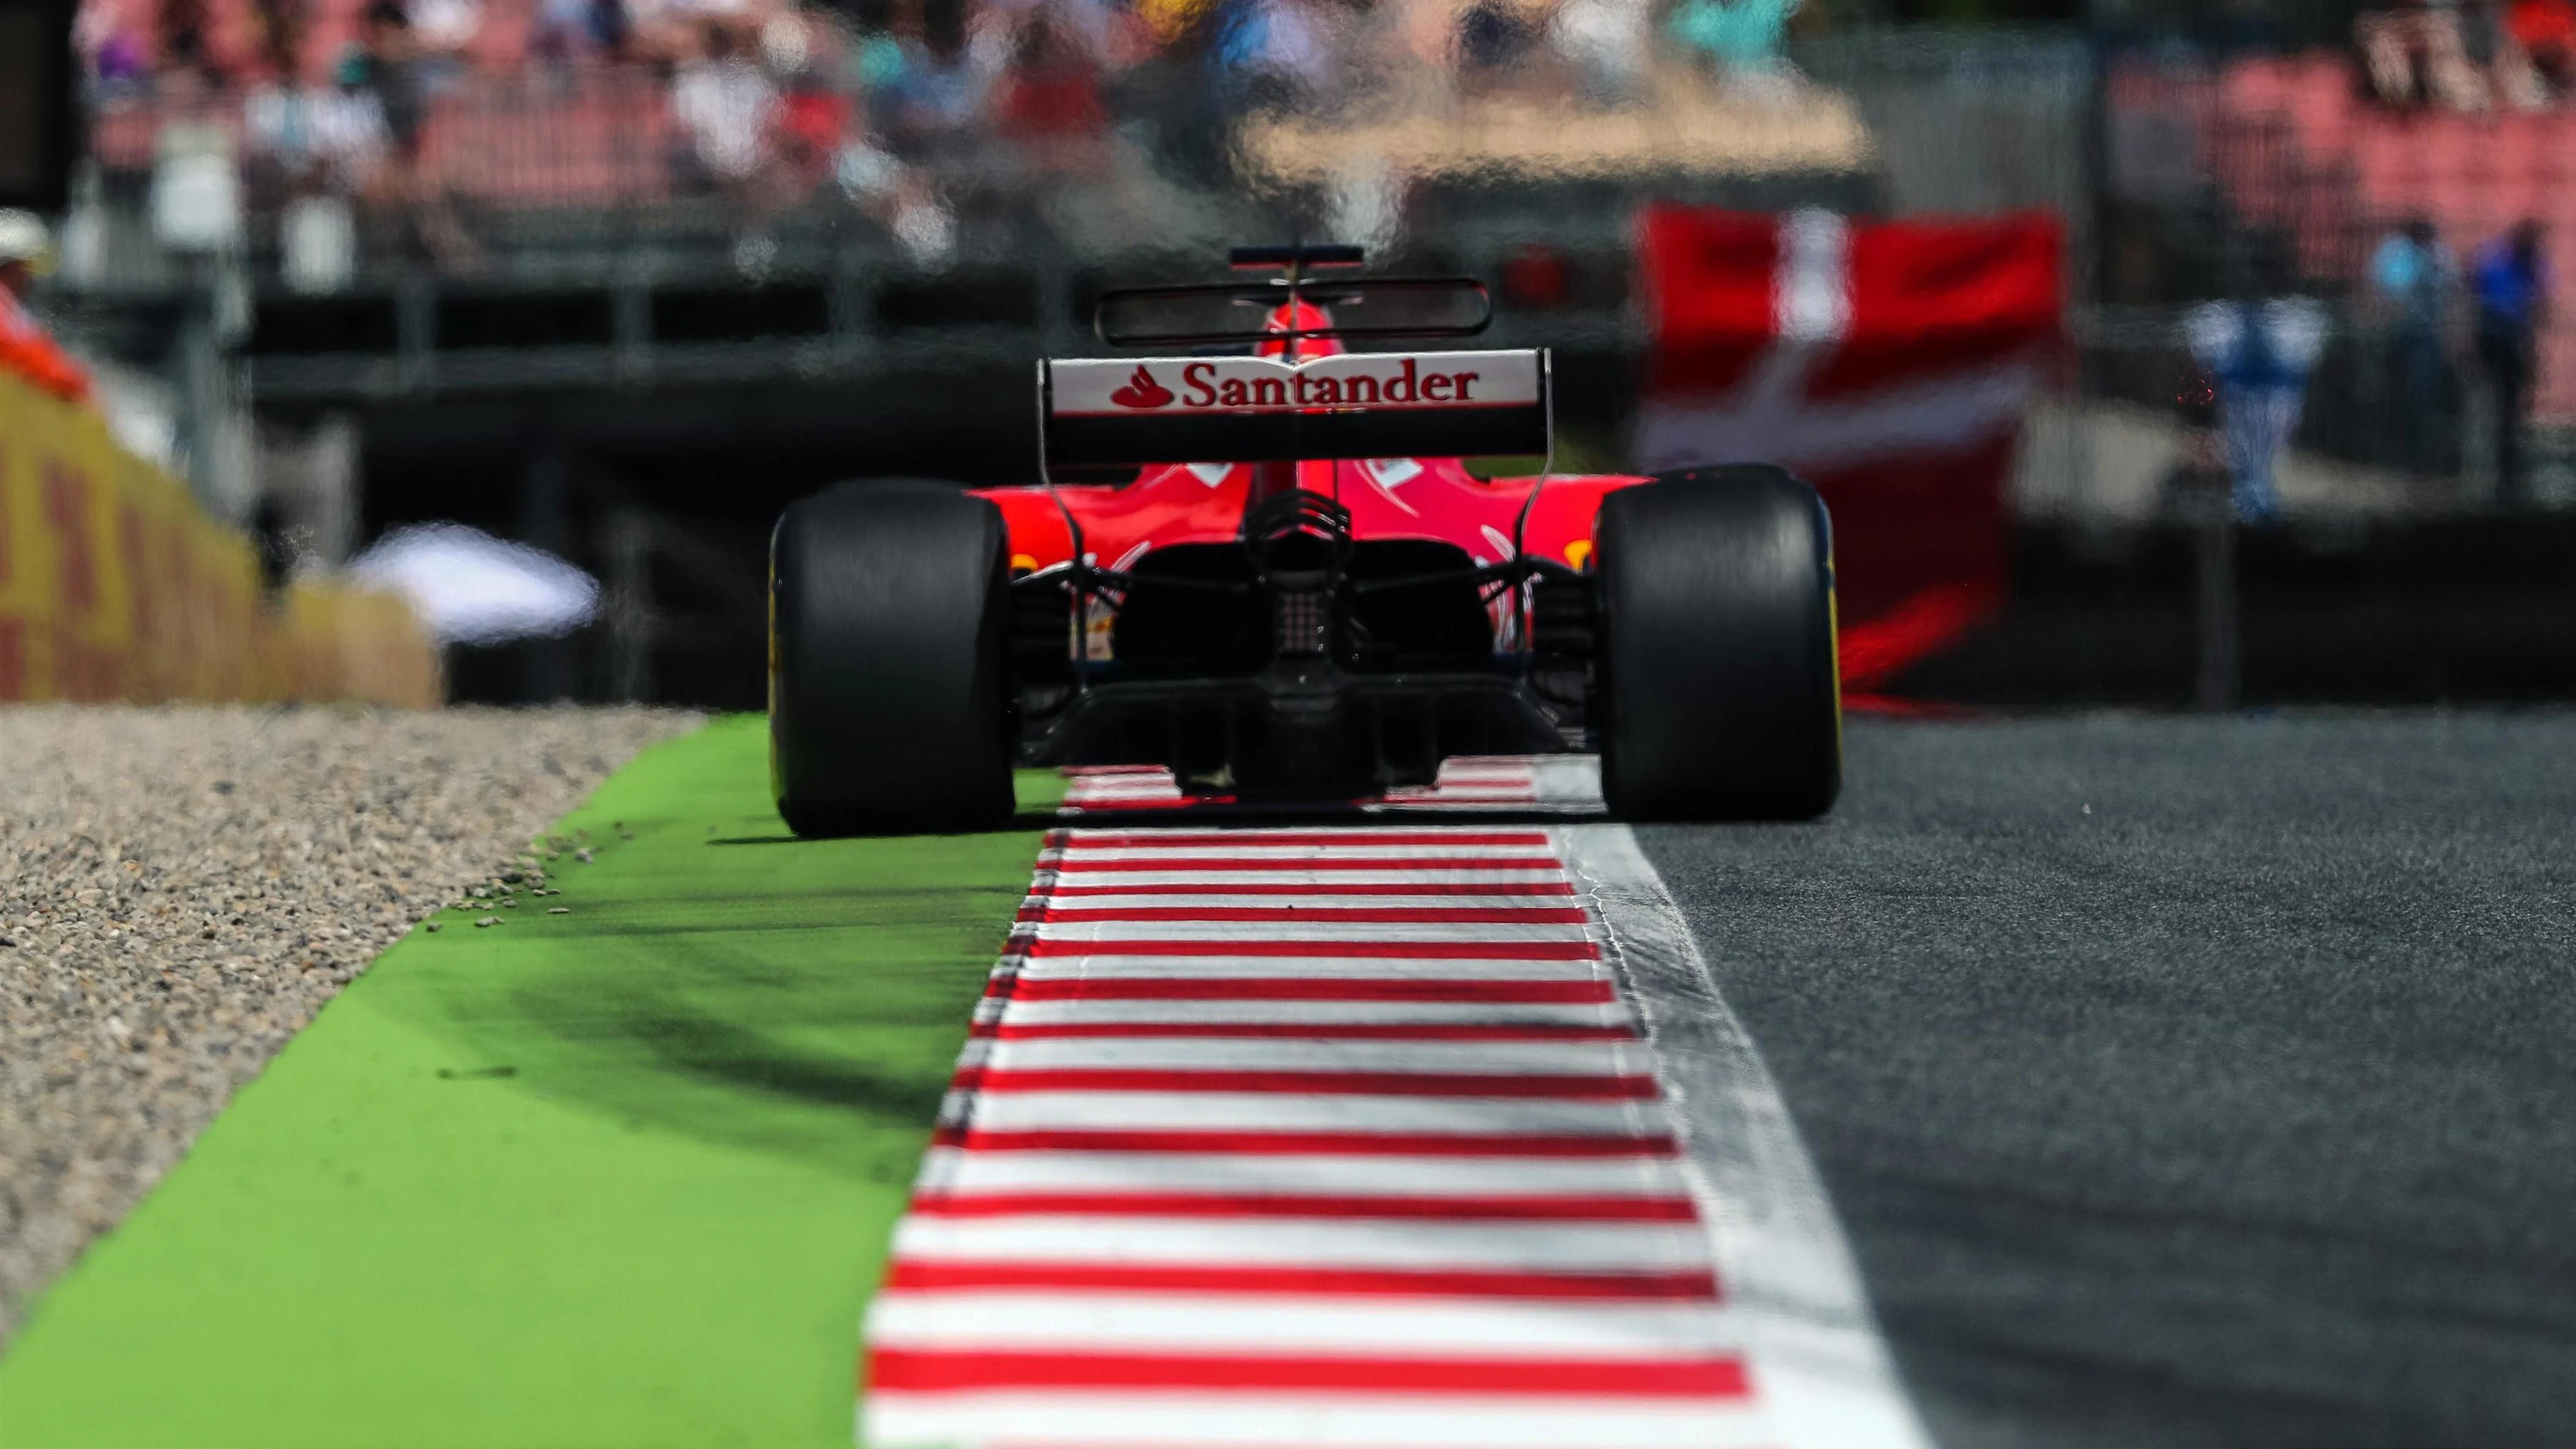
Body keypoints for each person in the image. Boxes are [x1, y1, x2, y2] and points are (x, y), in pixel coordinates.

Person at [2470, 219, 2551, 507]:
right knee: (2490, 403)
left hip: (2517, 342)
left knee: (2513, 405)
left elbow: (2542, 301)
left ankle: (2509, 465)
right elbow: (2479, 297)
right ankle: (2485, 468)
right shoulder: (2493, 259)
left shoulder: (2535, 263)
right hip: (2493, 341)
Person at [2369, 218, 2457, 472]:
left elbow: (2452, 290)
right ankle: (2392, 449)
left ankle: (2417, 453)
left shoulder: (2440, 255)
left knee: (2420, 393)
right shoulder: (2396, 253)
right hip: (2395, 334)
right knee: (2392, 392)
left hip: (2426, 337)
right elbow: (2388, 292)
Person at [0, 212, 93, 403]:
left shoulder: (12, 306)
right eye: (28, 267)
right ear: (12, 265)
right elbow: (17, 352)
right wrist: (65, 378)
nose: (31, 277)